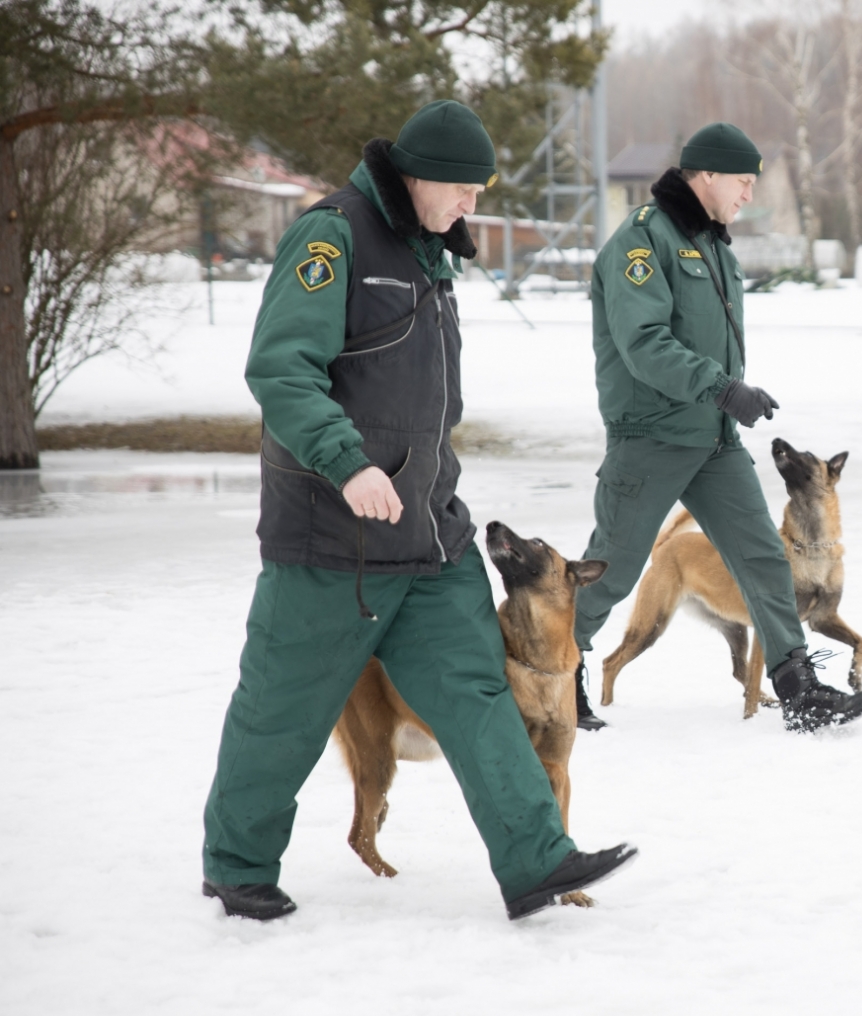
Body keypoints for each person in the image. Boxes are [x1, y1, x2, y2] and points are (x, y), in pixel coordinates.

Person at [201, 101, 635, 923]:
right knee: (283, 708)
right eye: (466, 189)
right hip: (332, 541)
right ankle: (236, 863)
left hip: (431, 541)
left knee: (479, 698)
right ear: (418, 175)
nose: (474, 204)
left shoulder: (431, 252)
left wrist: (437, 497)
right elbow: (283, 370)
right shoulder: (333, 238)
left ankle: (537, 858)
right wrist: (348, 461)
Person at [570, 122, 862, 734]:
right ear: (705, 174)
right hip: (651, 435)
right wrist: (721, 386)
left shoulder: (712, 243)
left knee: (765, 557)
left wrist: (725, 399)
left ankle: (797, 686)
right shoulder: (642, 242)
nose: (747, 195)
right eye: (742, 181)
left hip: (714, 439)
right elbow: (643, 344)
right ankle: (555, 669)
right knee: (615, 565)